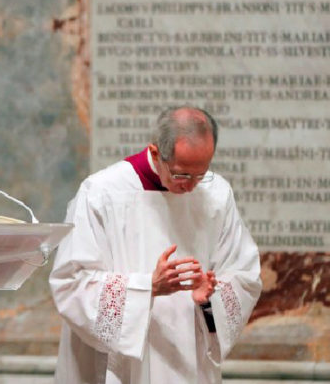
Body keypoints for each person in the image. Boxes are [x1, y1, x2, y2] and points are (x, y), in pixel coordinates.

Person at [50, 106, 261, 384]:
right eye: (181, 175)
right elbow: (71, 282)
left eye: (201, 175)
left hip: (189, 364)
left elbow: (244, 275)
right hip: (126, 366)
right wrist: (148, 286)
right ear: (154, 153)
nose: (191, 187)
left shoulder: (216, 193)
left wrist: (210, 298)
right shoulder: (102, 193)